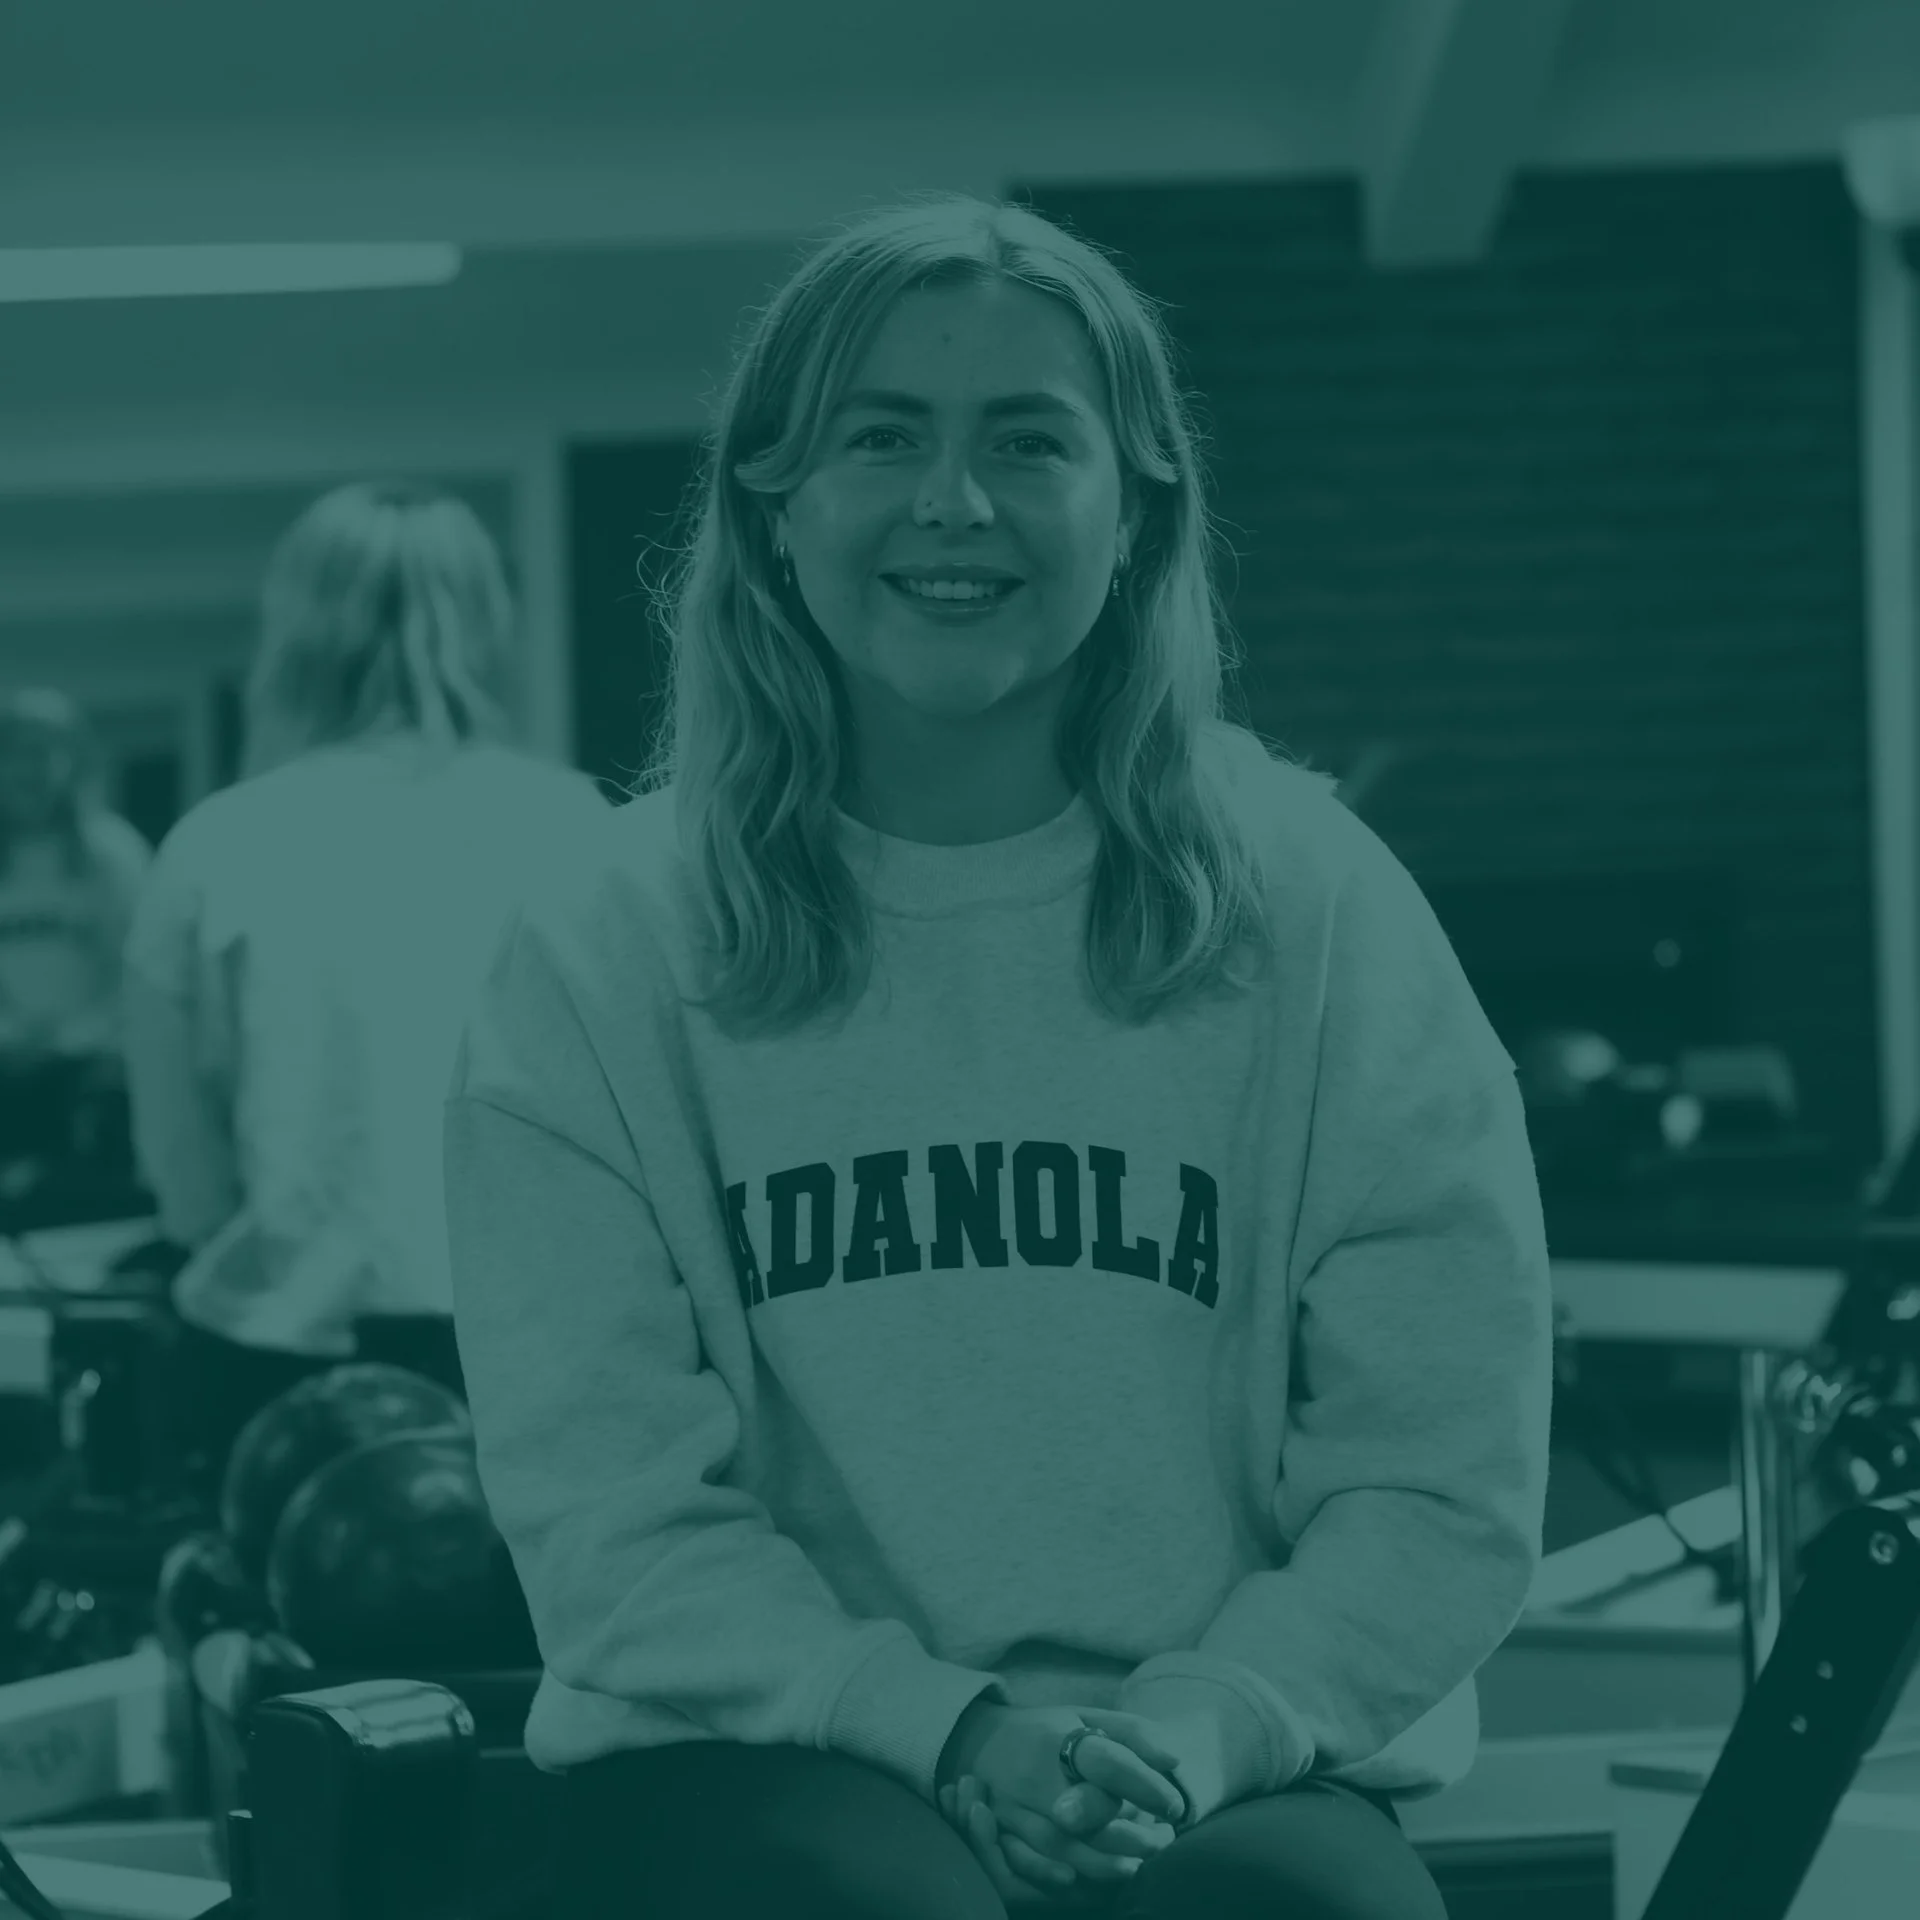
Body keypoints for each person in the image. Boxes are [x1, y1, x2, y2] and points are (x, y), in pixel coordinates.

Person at [444, 192, 1552, 1920]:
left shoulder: (1316, 906)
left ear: (1136, 505)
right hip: (766, 1759)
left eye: (1028, 441)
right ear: (777, 496)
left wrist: (1199, 1728)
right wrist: (946, 1731)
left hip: (1226, 1761)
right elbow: (611, 1523)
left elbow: (1439, 1471)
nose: (953, 504)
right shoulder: (598, 949)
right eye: (882, 437)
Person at [120, 480, 608, 1506]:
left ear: (295, 629)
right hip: (541, 1348)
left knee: (298, 1657)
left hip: (284, 1357)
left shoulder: (220, 844)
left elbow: (183, 1168)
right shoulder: (574, 829)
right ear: (484, 620)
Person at [0, 687, 151, 1185]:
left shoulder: (115, 853)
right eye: (14, 751)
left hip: (92, 1072)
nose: (29, 768)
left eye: (45, 751)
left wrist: (78, 1035)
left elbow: (143, 969)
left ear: (74, 762)